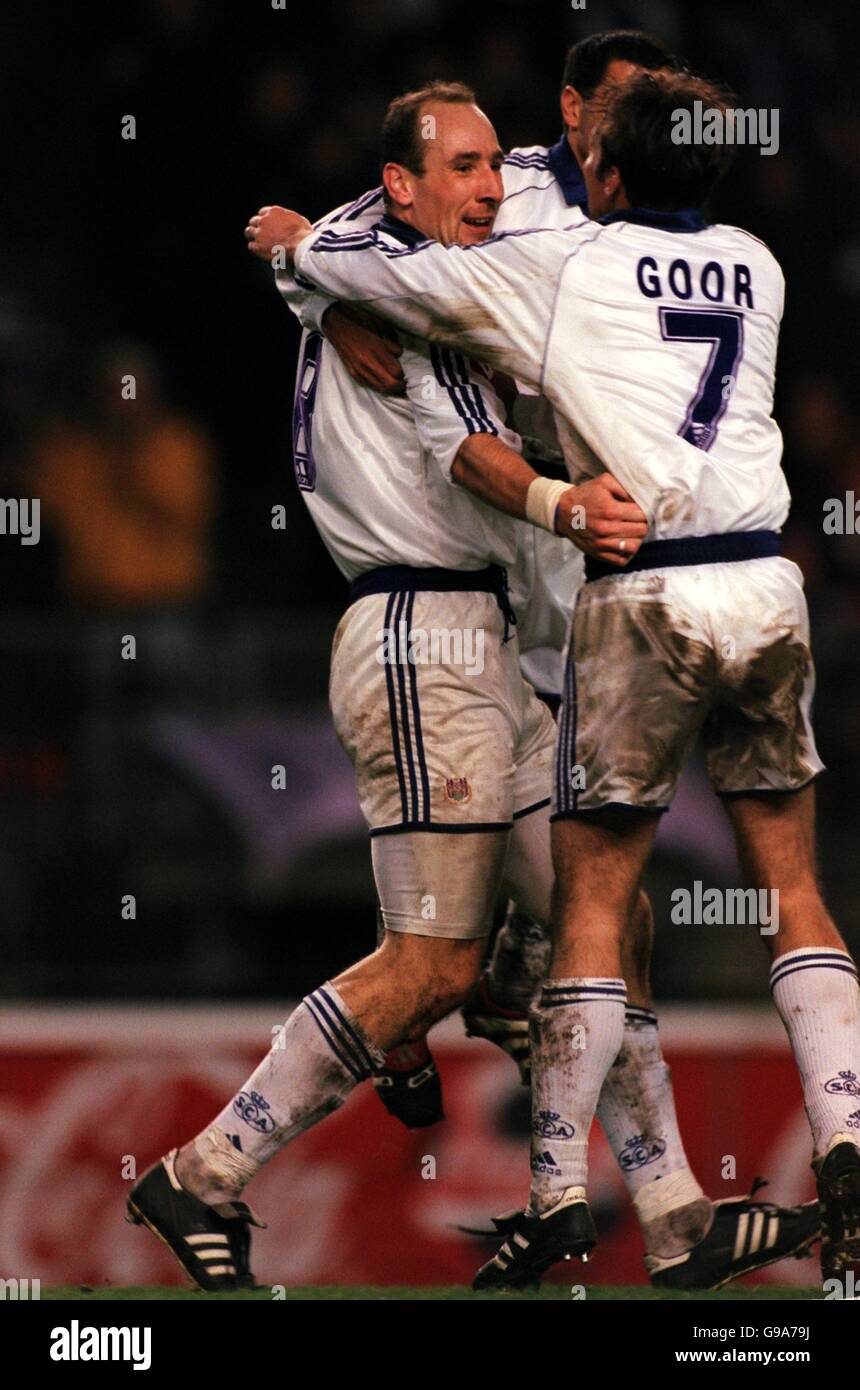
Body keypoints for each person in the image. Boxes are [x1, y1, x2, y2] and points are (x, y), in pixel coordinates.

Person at [263, 68, 860, 1293]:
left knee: (589, 917)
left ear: (608, 171)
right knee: (792, 893)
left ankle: (547, 1196)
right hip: (764, 583)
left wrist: (298, 263)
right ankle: (844, 1135)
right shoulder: (760, 263)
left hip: (638, 596)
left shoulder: (560, 270)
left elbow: (385, 281)